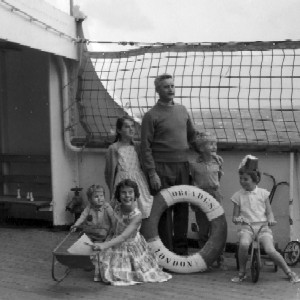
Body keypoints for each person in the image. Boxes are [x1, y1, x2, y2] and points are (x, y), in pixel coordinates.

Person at [140, 73, 197, 255]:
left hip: (182, 166)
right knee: (163, 212)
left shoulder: (182, 110)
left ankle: (181, 252)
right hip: (161, 168)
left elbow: (192, 137)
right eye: (166, 86)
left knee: (182, 209)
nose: (170, 89)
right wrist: (152, 173)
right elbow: (145, 147)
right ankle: (166, 252)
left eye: (172, 86)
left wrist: (209, 155)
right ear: (157, 90)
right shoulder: (150, 116)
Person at [231, 155, 300, 283]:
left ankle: (289, 272)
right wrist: (237, 219)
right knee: (244, 244)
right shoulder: (238, 196)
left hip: (263, 228)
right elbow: (234, 217)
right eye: (240, 178)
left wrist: (271, 220)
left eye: (245, 179)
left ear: (255, 179)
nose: (242, 181)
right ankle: (242, 272)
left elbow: (269, 212)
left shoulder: (263, 193)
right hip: (247, 228)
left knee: (270, 249)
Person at [90, 179, 172, 285]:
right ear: (119, 195)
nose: (127, 195)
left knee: (117, 274)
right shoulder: (116, 207)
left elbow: (124, 237)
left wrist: (104, 245)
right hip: (114, 240)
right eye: (123, 192)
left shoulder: (137, 215)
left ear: (135, 194)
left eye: (130, 192)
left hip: (129, 244)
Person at [105, 116, 153, 218]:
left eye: (132, 126)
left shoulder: (138, 146)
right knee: (123, 209)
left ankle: (138, 232)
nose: (131, 129)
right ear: (119, 130)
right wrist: (112, 190)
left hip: (138, 181)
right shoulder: (113, 148)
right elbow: (109, 172)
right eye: (127, 127)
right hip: (122, 180)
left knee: (141, 207)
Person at [189, 131, 225, 267]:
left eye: (215, 144)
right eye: (211, 144)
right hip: (200, 197)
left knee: (216, 227)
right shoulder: (194, 165)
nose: (214, 147)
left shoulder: (218, 161)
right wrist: (193, 201)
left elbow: (218, 178)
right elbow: (192, 182)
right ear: (201, 148)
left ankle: (219, 257)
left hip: (215, 196)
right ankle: (205, 258)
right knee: (203, 228)